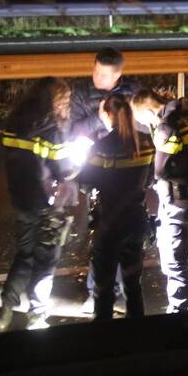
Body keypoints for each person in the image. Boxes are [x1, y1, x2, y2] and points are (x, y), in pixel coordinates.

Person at [0, 77, 77, 332]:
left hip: (20, 198)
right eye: (65, 100)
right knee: (45, 261)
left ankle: (5, 311)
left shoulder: (13, 123)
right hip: (47, 205)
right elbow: (63, 170)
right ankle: (36, 315)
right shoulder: (52, 129)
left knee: (24, 255)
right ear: (56, 101)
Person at [70, 47, 141, 313]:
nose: (97, 77)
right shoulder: (82, 94)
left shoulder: (133, 92)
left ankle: (118, 295)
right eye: (95, 70)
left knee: (119, 239)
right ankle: (99, 292)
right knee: (103, 235)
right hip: (100, 169)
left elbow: (142, 125)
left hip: (128, 171)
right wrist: (98, 121)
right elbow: (72, 130)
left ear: (118, 75)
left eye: (103, 74)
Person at [131, 88, 188, 313]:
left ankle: (180, 309)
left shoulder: (166, 128)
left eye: (142, 119)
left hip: (178, 202)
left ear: (148, 110)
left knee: (175, 258)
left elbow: (159, 171)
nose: (144, 124)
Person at [77, 94, 154, 320]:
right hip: (137, 220)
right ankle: (137, 331)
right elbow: (150, 179)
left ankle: (105, 334)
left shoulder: (101, 147)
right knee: (133, 285)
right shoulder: (146, 142)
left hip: (109, 222)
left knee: (104, 287)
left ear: (109, 115)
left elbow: (85, 183)